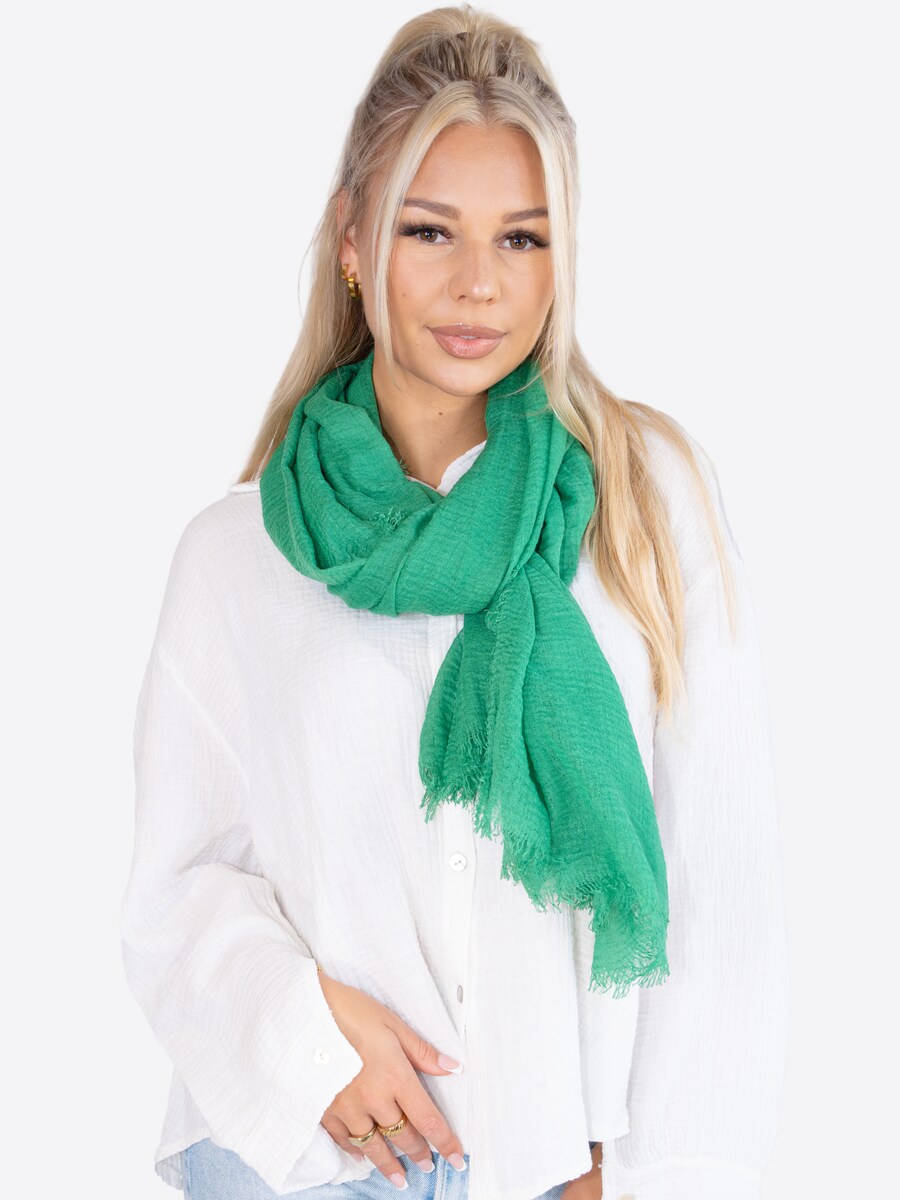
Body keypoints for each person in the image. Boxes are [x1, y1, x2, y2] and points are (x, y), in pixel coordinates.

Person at [119, 6, 790, 1200]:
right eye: (430, 230)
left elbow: (718, 878)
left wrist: (646, 1172)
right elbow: (179, 886)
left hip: (562, 1171)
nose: (479, 284)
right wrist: (305, 1039)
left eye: (523, 239)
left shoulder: (646, 504)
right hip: (309, 1159)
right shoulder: (236, 555)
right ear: (353, 241)